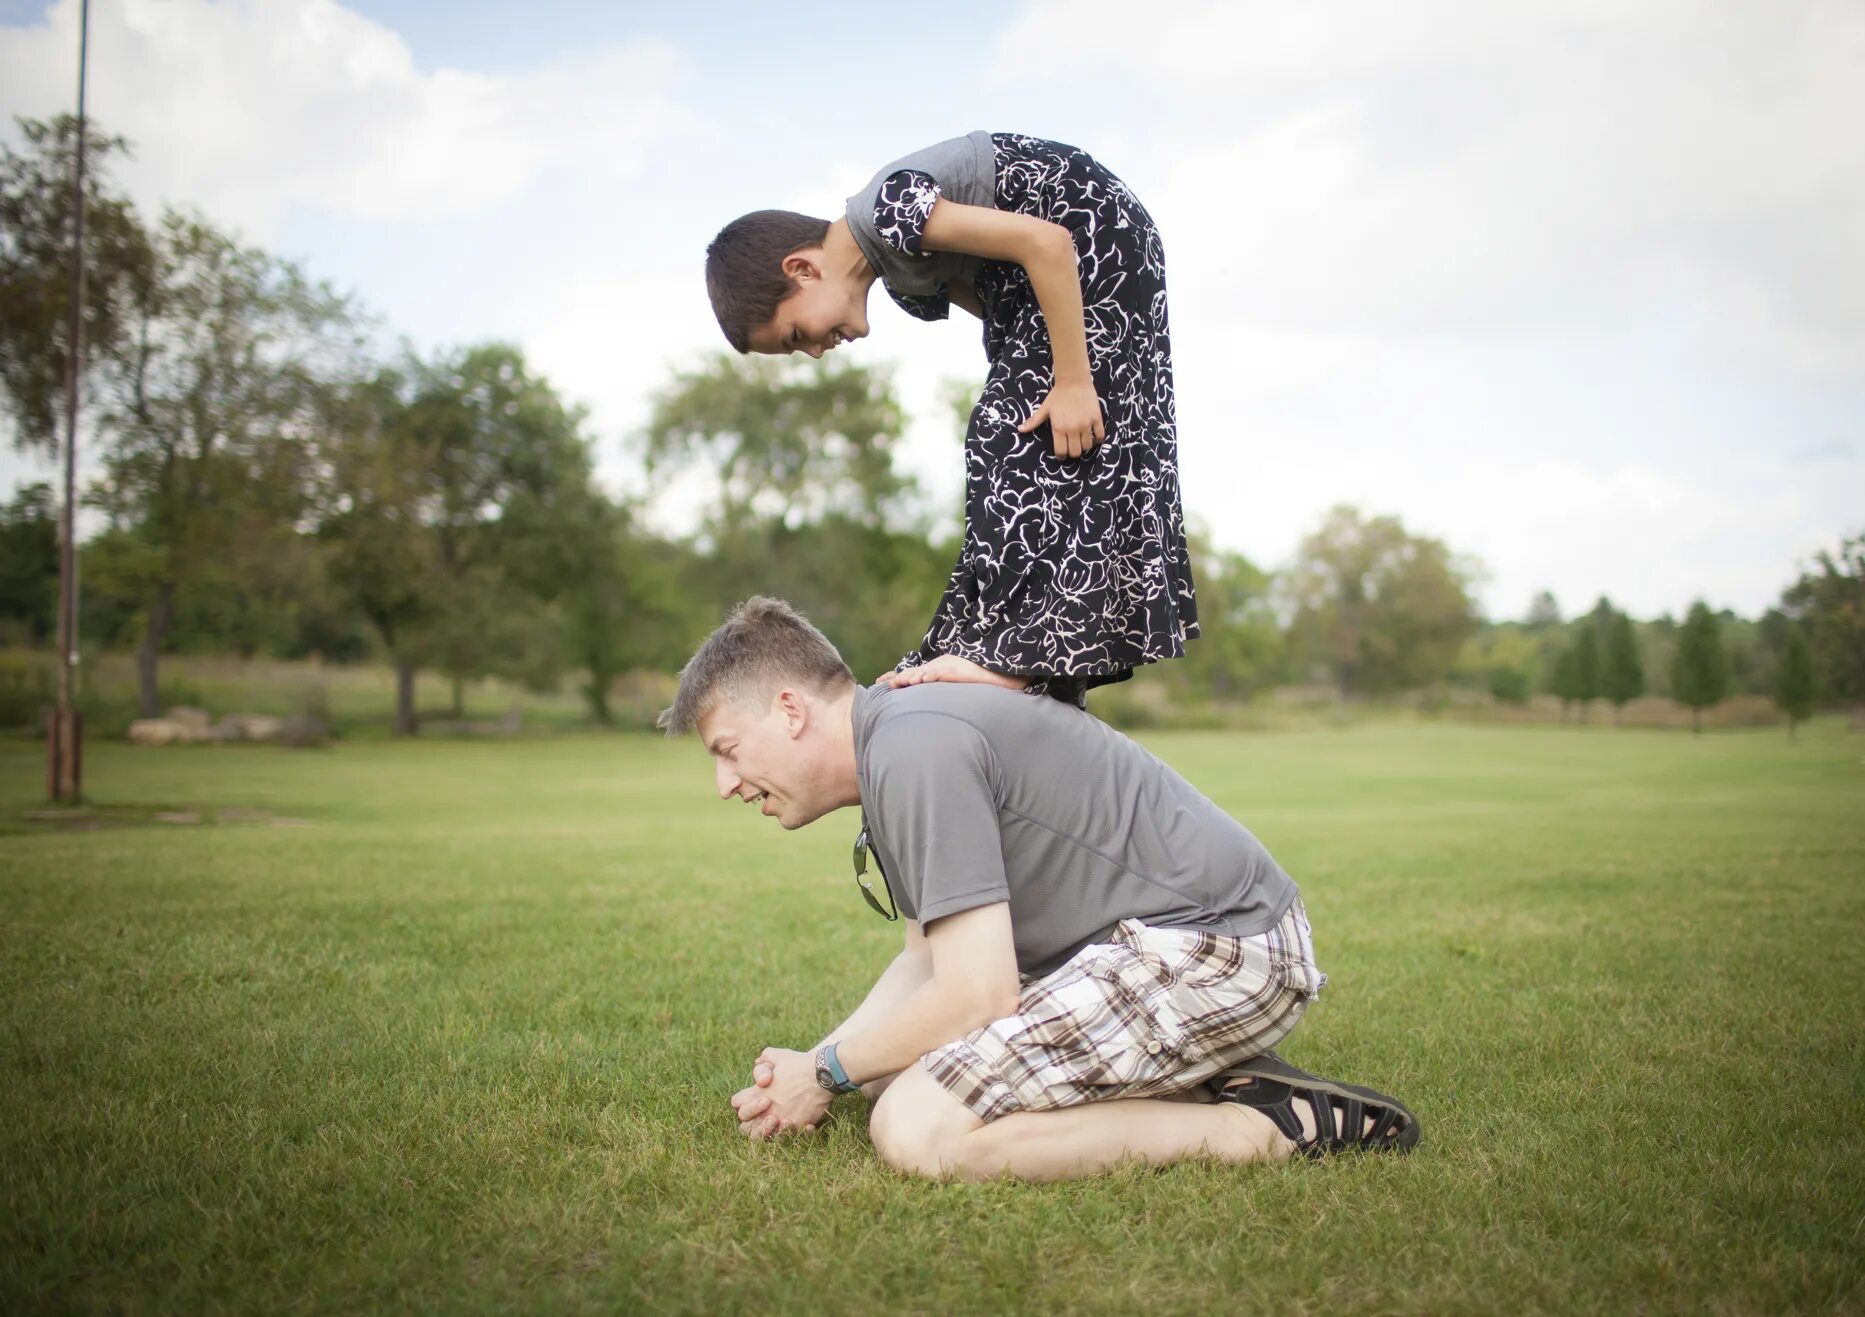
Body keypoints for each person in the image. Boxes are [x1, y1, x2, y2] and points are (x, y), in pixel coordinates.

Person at [661, 597, 1418, 1183]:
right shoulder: (895, 737)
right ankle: (1206, 1075)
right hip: (1154, 945)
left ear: (790, 710)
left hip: (1223, 948)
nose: (725, 784)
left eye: (727, 750)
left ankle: (1267, 1126)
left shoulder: (912, 749)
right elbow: (928, 960)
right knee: (884, 1072)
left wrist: (823, 1071)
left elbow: (976, 994)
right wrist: (819, 1064)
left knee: (918, 1128)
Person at [704, 133, 1198, 707]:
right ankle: (1017, 648)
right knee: (1022, 437)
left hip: (1096, 239)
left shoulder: (888, 211)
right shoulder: (904, 280)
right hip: (1054, 284)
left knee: (1003, 430)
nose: (814, 352)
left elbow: (1047, 242)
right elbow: (1004, 321)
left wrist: (1072, 382)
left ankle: (1019, 653)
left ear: (803, 269)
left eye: (794, 337)